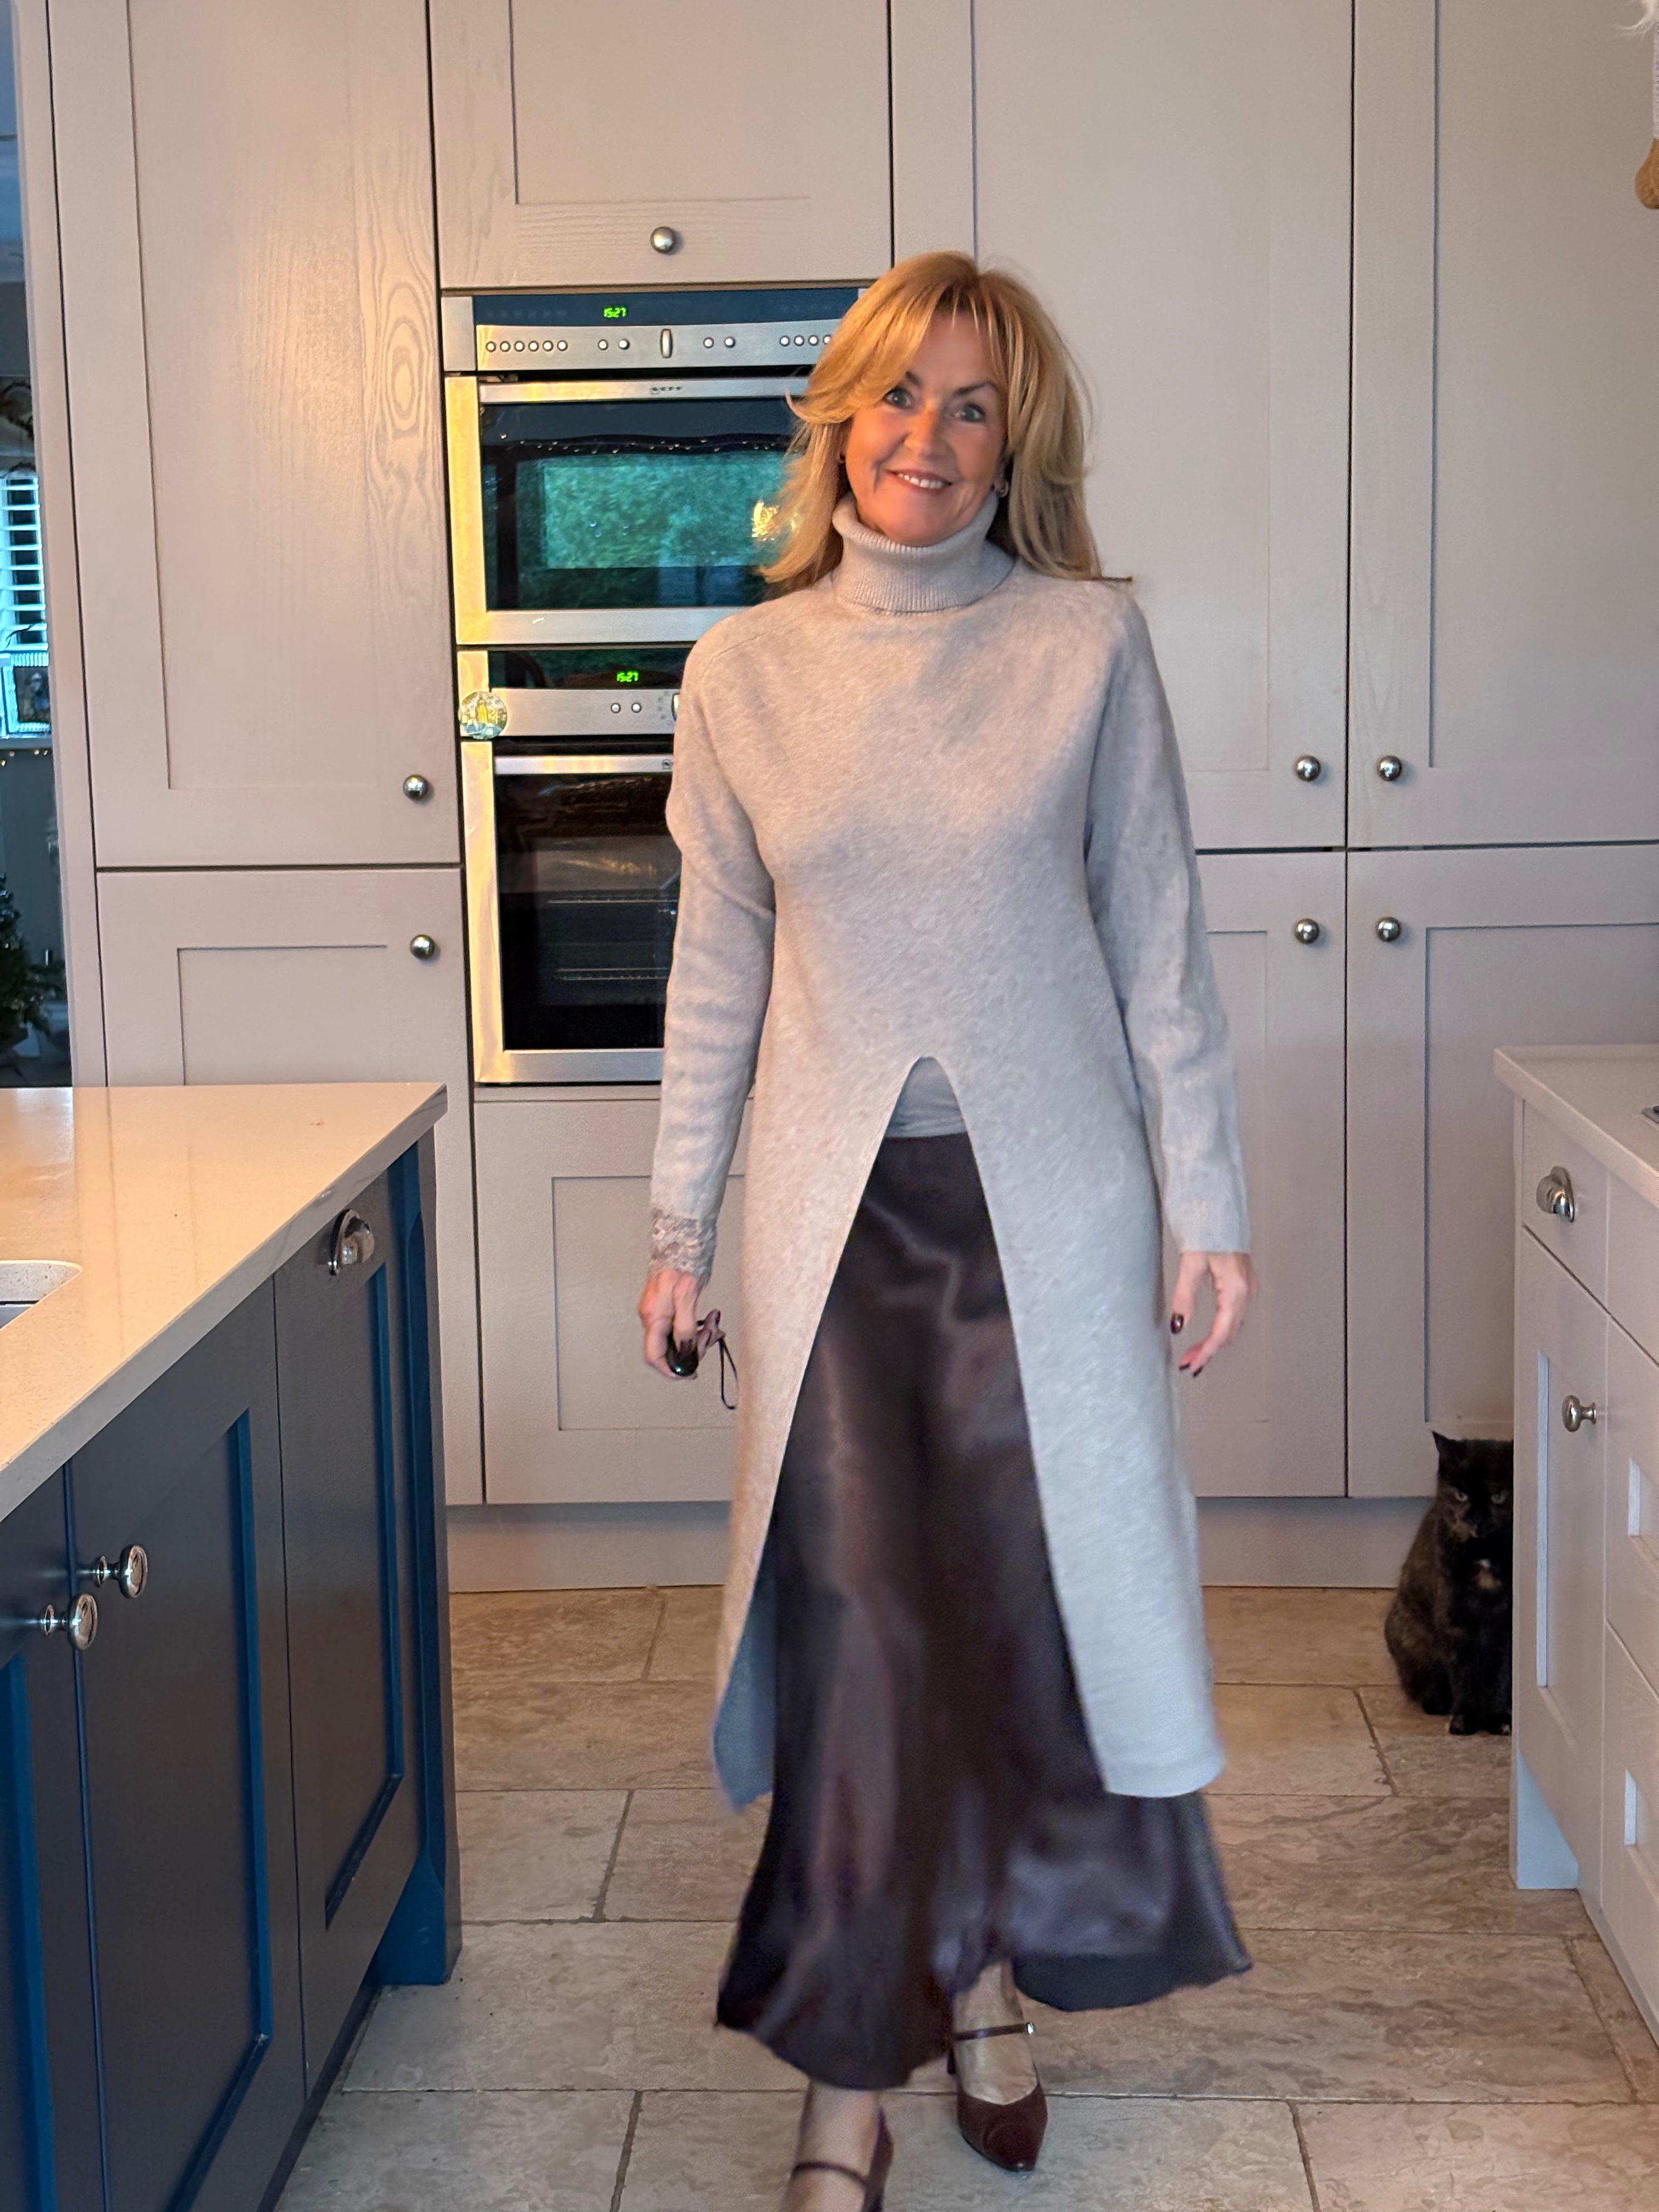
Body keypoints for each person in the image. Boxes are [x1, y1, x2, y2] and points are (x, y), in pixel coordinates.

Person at [637, 251, 1256, 2211]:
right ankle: (850, 2081)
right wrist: (679, 1220)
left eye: (973, 405)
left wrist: (1209, 1203)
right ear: (839, 421)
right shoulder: (743, 675)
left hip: (1042, 1228)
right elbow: (718, 971)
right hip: (831, 1240)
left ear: (1016, 443)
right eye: (900, 395)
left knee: (1004, 1624)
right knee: (859, 1643)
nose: (930, 437)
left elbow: (1158, 937)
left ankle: (981, 1978)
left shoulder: (1085, 647)